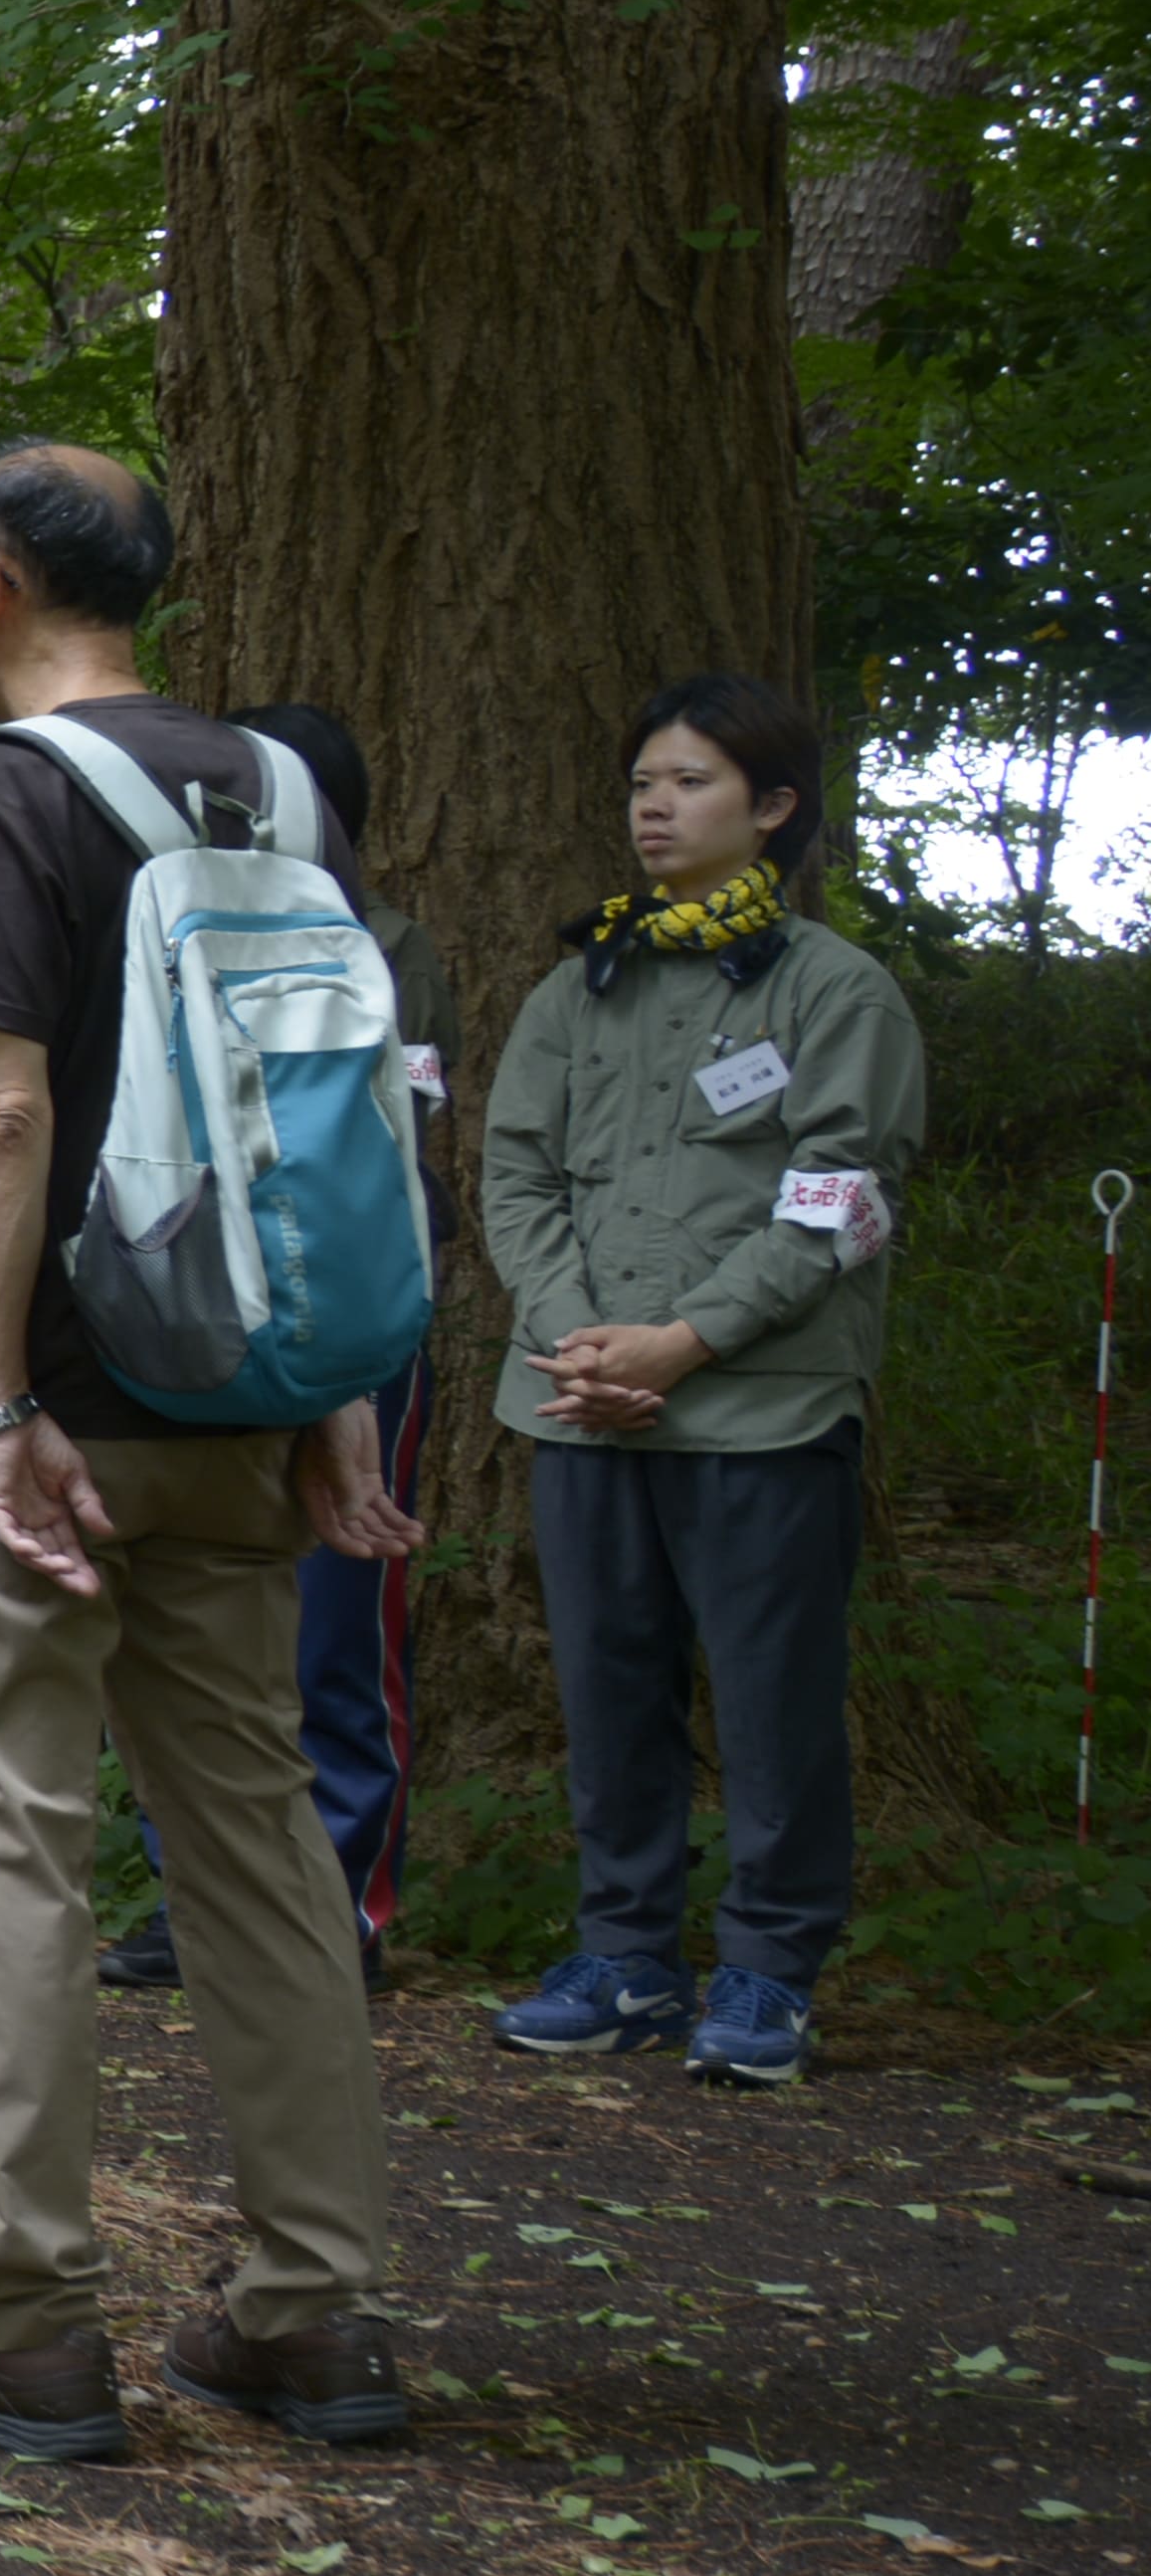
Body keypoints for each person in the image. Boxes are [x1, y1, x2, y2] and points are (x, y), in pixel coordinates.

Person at [0, 443, 421, 2467]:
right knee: (258, 1838)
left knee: (1, 1841)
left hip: (47, 1412)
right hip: (243, 1405)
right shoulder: (281, 786)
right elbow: (319, 1121)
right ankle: (313, 2312)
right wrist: (329, 1393)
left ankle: (24, 2325)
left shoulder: (23, 791)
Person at [476, 675, 925, 2090]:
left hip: (764, 1402)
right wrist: (577, 1335)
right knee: (609, 1692)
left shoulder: (833, 990)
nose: (653, 809)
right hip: (580, 1399)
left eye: (688, 784)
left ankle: (771, 1972)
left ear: (774, 808)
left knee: (772, 1691)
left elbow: (843, 1195)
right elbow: (516, 1172)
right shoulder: (577, 986)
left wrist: (687, 1342)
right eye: (641, 786)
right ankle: (624, 1959)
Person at [102, 699, 449, 1998]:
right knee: (184, 1621)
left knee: (336, 1623)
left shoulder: (384, 945)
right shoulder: (146, 924)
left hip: (341, 1316)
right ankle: (189, 1897)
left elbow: (385, 1146)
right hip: (187, 1306)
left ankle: (345, 1901)